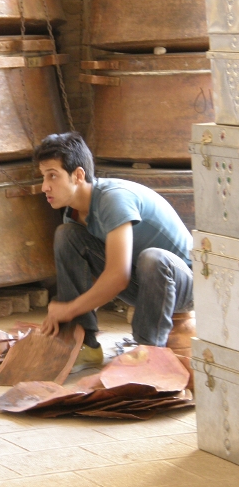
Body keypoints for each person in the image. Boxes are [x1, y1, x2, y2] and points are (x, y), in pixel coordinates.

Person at [34, 132, 194, 370]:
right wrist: (74, 312)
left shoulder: (114, 199)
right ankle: (84, 345)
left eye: (53, 176)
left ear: (78, 175)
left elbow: (118, 277)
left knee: (153, 258)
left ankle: (148, 355)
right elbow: (99, 276)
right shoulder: (74, 214)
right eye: (43, 177)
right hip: (142, 283)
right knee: (65, 235)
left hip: (183, 284)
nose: (45, 186)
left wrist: (69, 309)